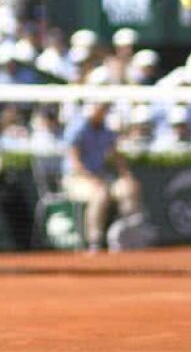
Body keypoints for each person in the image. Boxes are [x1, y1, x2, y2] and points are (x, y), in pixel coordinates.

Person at [60, 102, 141, 253]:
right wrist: (92, 179)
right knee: (100, 194)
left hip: (100, 178)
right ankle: (94, 241)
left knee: (127, 187)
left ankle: (125, 229)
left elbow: (117, 155)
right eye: (100, 106)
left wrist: (126, 175)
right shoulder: (78, 128)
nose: (104, 110)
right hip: (76, 179)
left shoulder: (106, 129)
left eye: (106, 107)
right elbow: (75, 162)